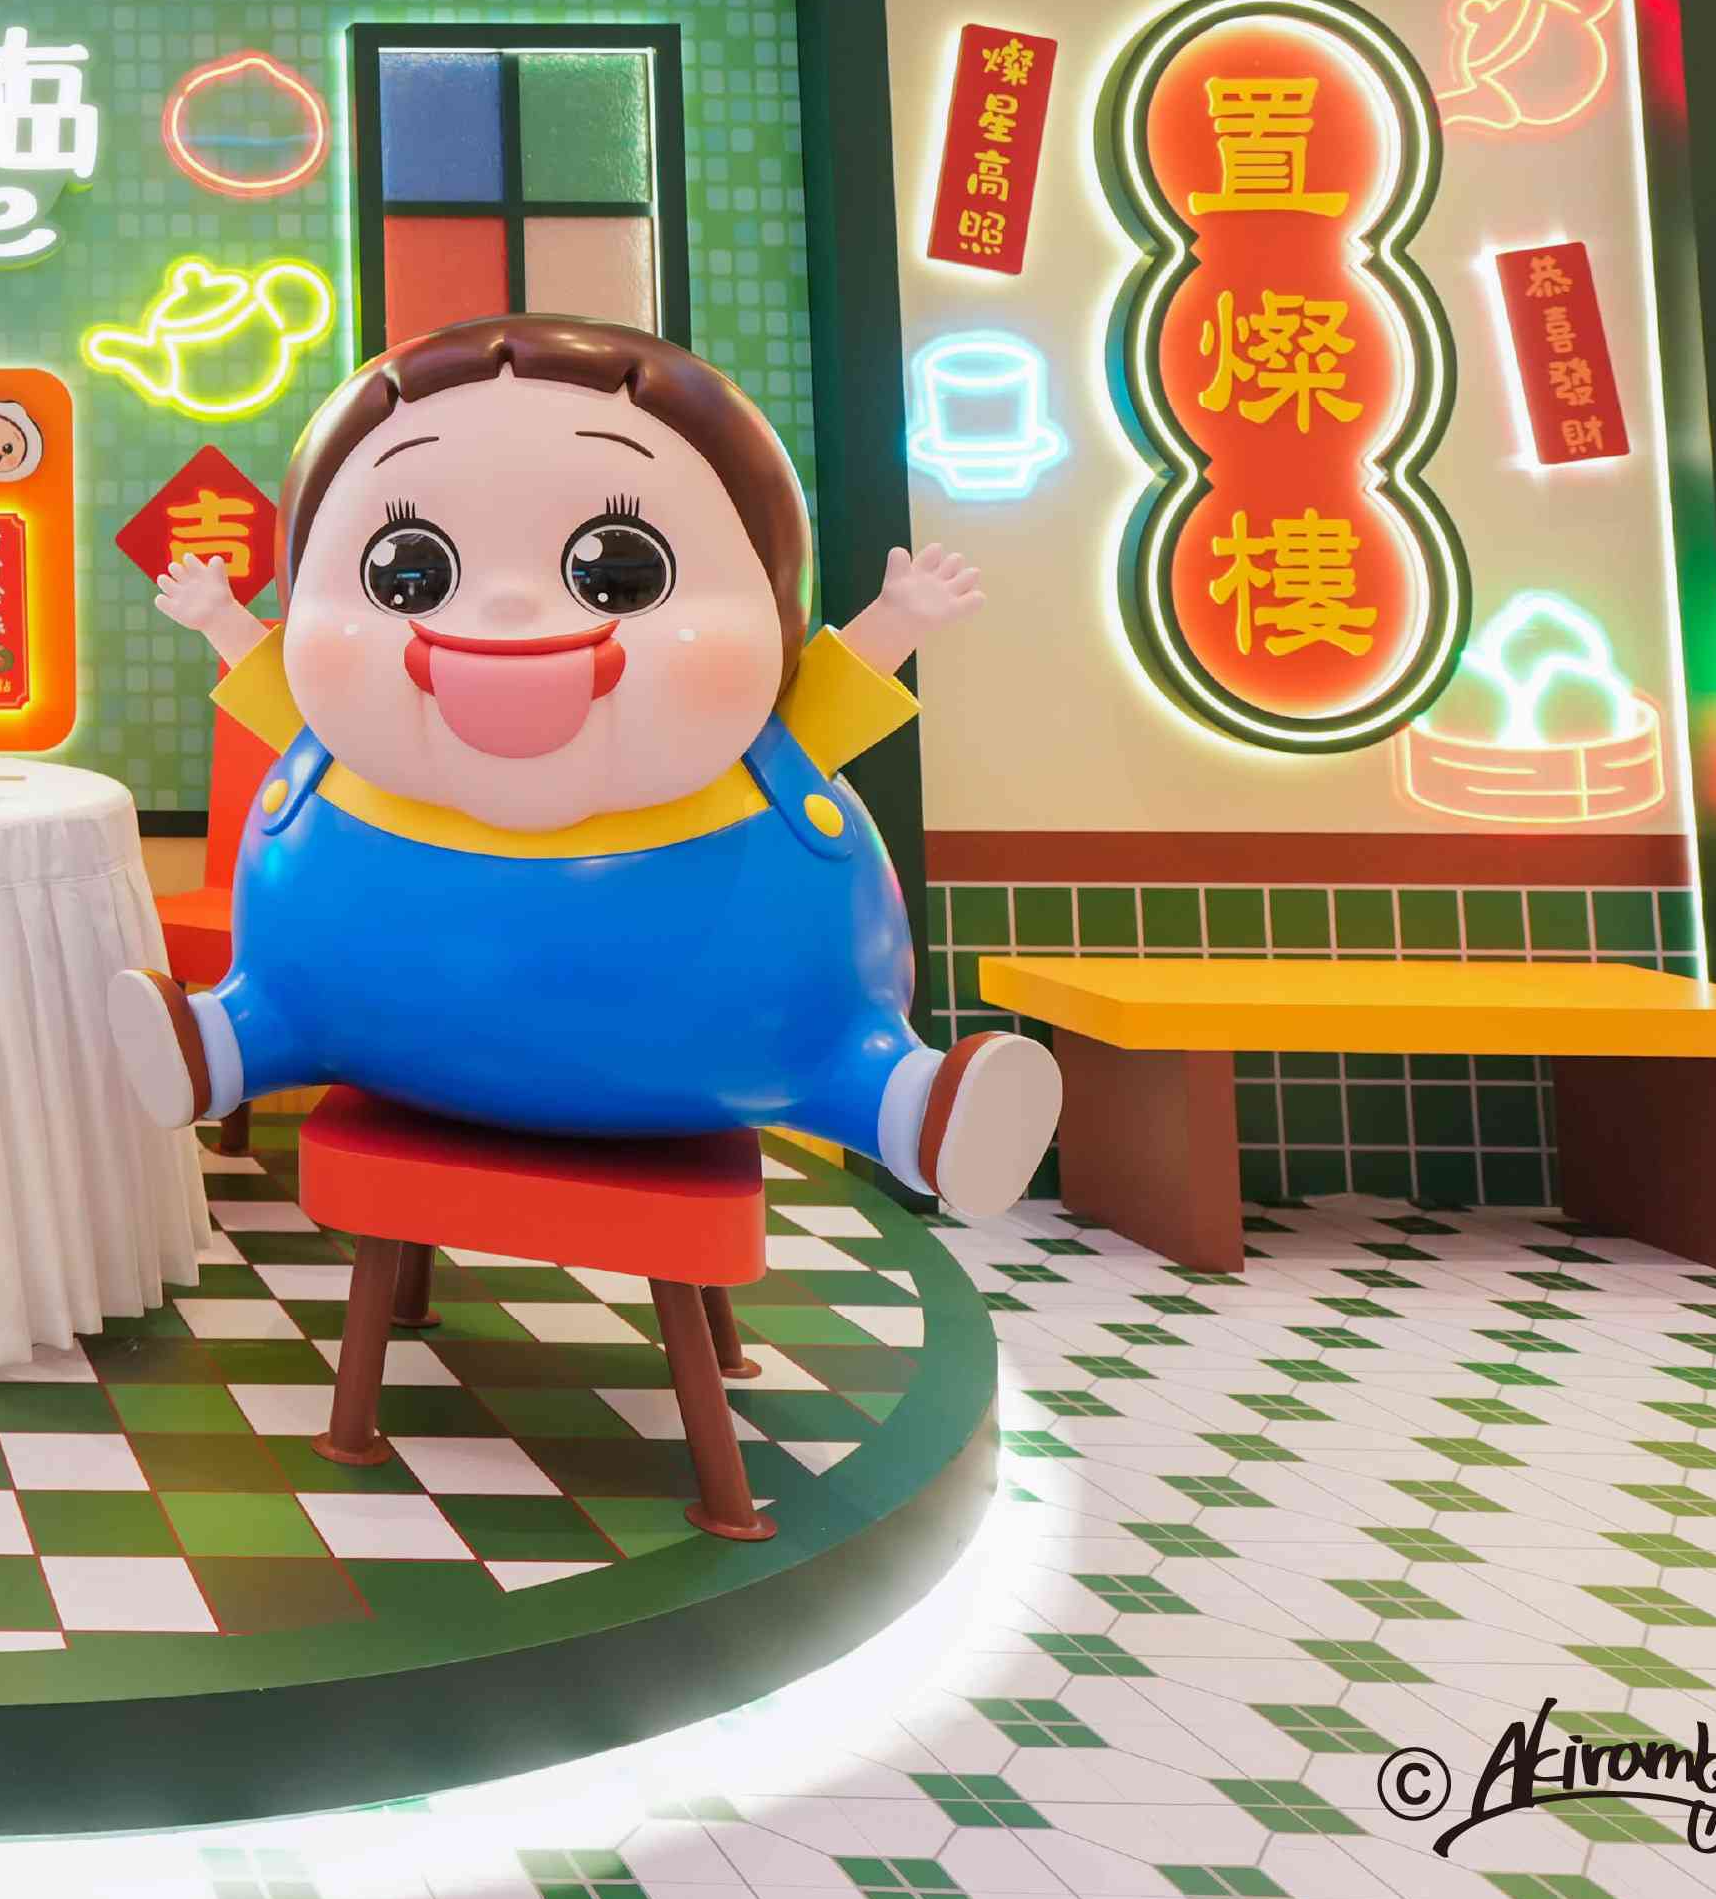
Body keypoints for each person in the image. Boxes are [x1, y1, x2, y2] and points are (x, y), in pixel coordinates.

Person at [116, 314, 1064, 1221]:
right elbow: (277, 690)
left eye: (617, 572)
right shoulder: (345, 745)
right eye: (412, 573)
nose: (505, 611)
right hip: (357, 1020)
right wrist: (221, 620)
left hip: (722, 1039)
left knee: (832, 1055)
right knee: (272, 1004)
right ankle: (230, 1043)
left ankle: (900, 1104)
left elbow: (836, 696)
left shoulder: (756, 748)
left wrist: (898, 619)